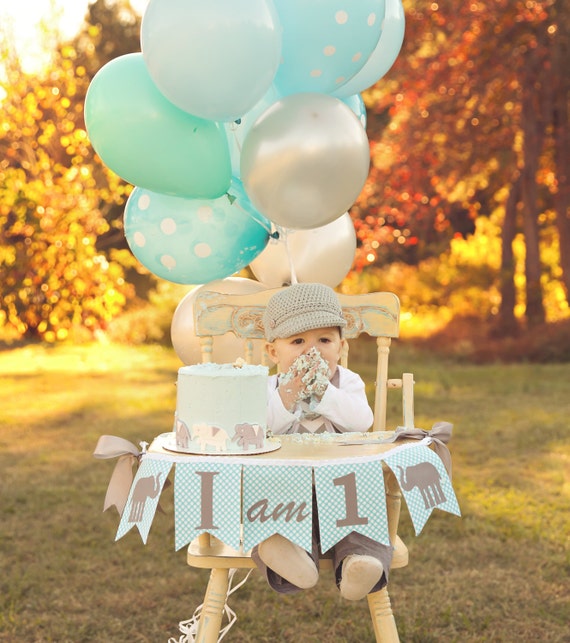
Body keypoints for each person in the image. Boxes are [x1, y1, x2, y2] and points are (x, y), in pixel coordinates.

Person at [252, 282, 393, 601]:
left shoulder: (347, 382)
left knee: (362, 515)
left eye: (324, 340)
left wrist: (325, 394)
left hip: (341, 488)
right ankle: (290, 561)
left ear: (341, 347)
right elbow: (258, 428)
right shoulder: (267, 387)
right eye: (297, 340)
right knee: (271, 522)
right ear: (273, 352)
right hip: (285, 488)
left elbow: (362, 421)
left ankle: (359, 563)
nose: (311, 350)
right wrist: (289, 396)